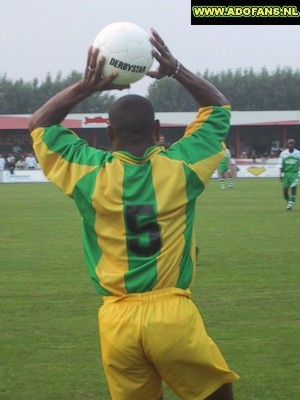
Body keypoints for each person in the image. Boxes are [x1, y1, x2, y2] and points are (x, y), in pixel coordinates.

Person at [28, 28, 239, 400]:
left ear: (109, 134)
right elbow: (218, 108)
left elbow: (40, 125)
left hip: (116, 319)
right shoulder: (182, 168)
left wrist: (87, 86)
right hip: (171, 313)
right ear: (158, 130)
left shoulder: (89, 175)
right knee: (216, 395)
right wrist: (176, 70)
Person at [279, 138, 300, 211]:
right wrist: (281, 175)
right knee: (285, 192)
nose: (291, 144)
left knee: (293, 189)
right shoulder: (283, 154)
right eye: (289, 143)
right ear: (287, 144)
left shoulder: (298, 153)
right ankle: (289, 202)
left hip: (294, 174)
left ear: (294, 144)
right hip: (286, 174)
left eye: (292, 143)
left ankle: (289, 206)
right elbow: (281, 165)